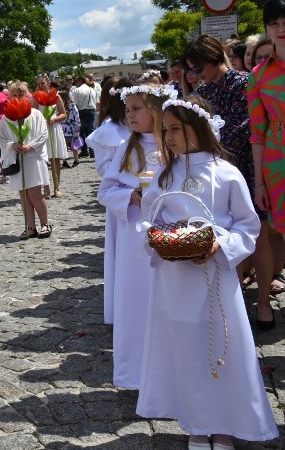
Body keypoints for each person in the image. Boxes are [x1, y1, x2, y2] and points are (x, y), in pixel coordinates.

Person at [137, 97, 277, 449]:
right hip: (176, 278)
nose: (167, 137)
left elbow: (248, 226)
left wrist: (220, 244)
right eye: (164, 130)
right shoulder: (165, 176)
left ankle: (225, 426)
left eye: (174, 130)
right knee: (185, 349)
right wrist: (160, 239)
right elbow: (150, 219)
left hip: (215, 276)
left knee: (221, 347)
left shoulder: (226, 173)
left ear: (197, 129)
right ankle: (197, 425)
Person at [185, 33, 276, 329]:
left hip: (245, 168)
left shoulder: (242, 82)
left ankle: (263, 302)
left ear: (213, 58)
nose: (196, 74)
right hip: (216, 171)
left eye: (198, 67)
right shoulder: (205, 89)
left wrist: (211, 141)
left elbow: (247, 125)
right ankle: (228, 304)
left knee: (258, 236)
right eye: (192, 70)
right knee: (224, 236)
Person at [97, 84, 172, 388]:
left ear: (155, 109)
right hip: (133, 236)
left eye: (136, 108)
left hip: (169, 231)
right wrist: (131, 195)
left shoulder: (174, 144)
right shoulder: (128, 148)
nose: (130, 115)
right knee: (136, 299)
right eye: (127, 109)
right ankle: (135, 371)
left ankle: (170, 365)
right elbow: (106, 190)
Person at [86, 76, 132, 325]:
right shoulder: (109, 131)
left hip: (143, 197)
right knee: (122, 256)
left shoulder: (139, 125)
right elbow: (103, 169)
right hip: (122, 199)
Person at [249, 0, 285, 285]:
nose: (280, 28)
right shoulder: (259, 75)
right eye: (273, 23)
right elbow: (257, 134)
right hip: (277, 163)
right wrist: (259, 182)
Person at [0, 81, 51, 238]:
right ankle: (30, 227)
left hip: (33, 157)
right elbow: (2, 138)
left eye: (21, 94)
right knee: (23, 194)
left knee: (34, 192)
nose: (18, 97)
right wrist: (12, 145)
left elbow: (43, 134)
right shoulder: (6, 118)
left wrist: (31, 146)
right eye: (15, 94)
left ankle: (45, 223)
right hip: (17, 158)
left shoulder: (35, 114)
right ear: (10, 96)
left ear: (26, 96)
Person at [33, 74, 68, 197]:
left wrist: (54, 119)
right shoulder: (36, 97)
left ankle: (56, 187)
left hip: (54, 127)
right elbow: (33, 114)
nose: (40, 86)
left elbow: (64, 114)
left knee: (56, 159)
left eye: (42, 83)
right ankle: (46, 187)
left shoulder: (56, 96)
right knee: (43, 159)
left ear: (48, 83)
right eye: (38, 84)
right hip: (42, 129)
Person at [69, 76, 98, 158]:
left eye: (76, 81)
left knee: (81, 131)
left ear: (80, 81)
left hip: (82, 110)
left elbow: (75, 104)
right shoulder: (92, 90)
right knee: (91, 130)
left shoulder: (77, 90)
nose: (76, 83)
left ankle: (84, 150)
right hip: (92, 110)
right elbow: (95, 101)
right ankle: (92, 151)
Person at [59, 91, 80, 169]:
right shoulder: (59, 106)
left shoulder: (72, 106)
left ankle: (76, 160)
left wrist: (77, 126)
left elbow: (76, 116)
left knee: (73, 145)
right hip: (63, 128)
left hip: (72, 127)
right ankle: (64, 161)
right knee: (64, 145)